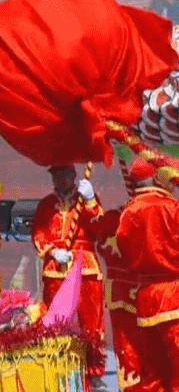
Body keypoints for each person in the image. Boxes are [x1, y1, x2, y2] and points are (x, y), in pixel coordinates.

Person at [31, 163, 106, 385]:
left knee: (90, 321)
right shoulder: (46, 204)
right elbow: (38, 233)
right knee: (55, 320)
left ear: (73, 175)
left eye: (64, 174)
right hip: (56, 269)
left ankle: (94, 371)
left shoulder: (85, 200)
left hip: (85, 267)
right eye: (56, 175)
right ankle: (58, 364)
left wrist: (91, 200)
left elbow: (99, 227)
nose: (60, 179)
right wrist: (52, 251)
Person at [116, 155, 179, 392]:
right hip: (173, 295)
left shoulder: (128, 213)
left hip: (144, 298)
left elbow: (124, 251)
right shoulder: (171, 207)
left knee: (153, 374)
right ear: (156, 177)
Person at [95, 160, 151, 392]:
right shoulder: (114, 218)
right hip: (122, 292)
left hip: (147, 293)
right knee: (126, 346)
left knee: (148, 346)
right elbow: (103, 243)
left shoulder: (151, 212)